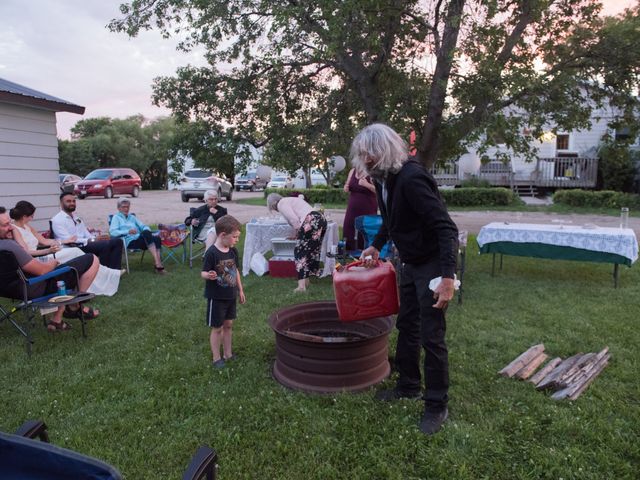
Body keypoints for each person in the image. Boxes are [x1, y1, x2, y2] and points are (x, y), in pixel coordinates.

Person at [351, 123, 459, 435]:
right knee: (407, 325)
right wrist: (376, 243)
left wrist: (448, 278)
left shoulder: (411, 178)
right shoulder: (385, 177)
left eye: (366, 154)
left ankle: (437, 404)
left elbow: (446, 228)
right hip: (411, 262)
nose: (362, 159)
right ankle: (409, 385)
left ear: (380, 152)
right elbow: (391, 218)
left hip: (433, 265)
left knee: (432, 335)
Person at [0, 207, 101, 331]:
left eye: (10, 223)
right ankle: (74, 305)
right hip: (34, 287)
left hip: (6, 289)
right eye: (6, 225)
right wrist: (53, 263)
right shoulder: (9, 246)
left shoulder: (7, 245)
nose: (11, 227)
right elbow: (42, 271)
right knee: (92, 259)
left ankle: (58, 318)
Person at [10, 201, 123, 296]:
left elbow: (43, 241)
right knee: (75, 252)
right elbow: (26, 252)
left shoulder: (26, 226)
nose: (32, 218)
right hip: (37, 260)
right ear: (24, 216)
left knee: (76, 252)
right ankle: (107, 275)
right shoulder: (15, 229)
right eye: (31, 216)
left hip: (44, 254)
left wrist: (60, 242)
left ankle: (106, 275)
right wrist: (47, 251)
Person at [201, 215, 246, 369]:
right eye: (235, 237)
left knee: (228, 325)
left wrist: (240, 290)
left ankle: (228, 353)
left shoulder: (233, 251)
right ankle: (216, 357)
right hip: (216, 297)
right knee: (217, 327)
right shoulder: (211, 253)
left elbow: (236, 270)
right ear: (223, 235)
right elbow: (203, 273)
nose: (237, 240)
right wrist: (209, 275)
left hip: (230, 296)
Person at [266, 193, 328, 292]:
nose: (275, 210)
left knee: (300, 252)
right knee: (312, 251)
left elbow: (294, 219)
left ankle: (301, 286)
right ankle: (307, 279)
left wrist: (299, 233)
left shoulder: (281, 203)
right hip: (320, 218)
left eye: (272, 208)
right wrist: (297, 234)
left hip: (310, 220)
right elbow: (299, 216)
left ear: (273, 204)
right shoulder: (291, 200)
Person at [51, 192, 123, 270]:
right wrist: (92, 240)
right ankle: (104, 272)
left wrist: (96, 238)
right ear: (61, 204)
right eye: (68, 201)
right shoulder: (57, 220)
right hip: (73, 247)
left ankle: (115, 271)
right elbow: (69, 240)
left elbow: (86, 234)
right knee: (105, 245)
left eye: (73, 201)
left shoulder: (77, 218)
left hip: (85, 244)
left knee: (117, 241)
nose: (72, 203)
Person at [109, 198, 167, 274]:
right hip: (129, 241)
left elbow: (143, 226)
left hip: (140, 239)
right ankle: (158, 264)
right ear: (119, 208)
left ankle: (157, 264)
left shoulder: (132, 217)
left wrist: (147, 230)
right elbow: (113, 232)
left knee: (156, 238)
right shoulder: (116, 218)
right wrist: (128, 231)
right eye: (123, 207)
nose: (126, 209)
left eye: (127, 207)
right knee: (149, 236)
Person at [342, 167, 378, 251]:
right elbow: (347, 184)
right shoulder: (352, 171)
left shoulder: (372, 171)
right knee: (348, 227)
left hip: (368, 208)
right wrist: (346, 187)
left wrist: (367, 185)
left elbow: (379, 190)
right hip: (352, 208)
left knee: (365, 230)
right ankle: (349, 252)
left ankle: (366, 251)